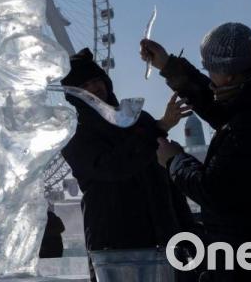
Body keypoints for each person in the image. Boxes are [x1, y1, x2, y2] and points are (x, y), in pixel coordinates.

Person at [141, 22, 251, 280]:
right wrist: (168, 65)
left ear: (229, 76)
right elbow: (222, 109)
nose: (210, 76)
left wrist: (174, 160)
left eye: (210, 69)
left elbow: (215, 192)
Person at [60, 48, 196, 256]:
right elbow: (113, 167)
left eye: (96, 80)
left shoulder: (139, 118)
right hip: (115, 244)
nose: (94, 88)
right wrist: (158, 128)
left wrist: (188, 231)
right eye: (84, 86)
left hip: (166, 236)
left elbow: (167, 178)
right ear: (74, 95)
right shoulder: (74, 134)